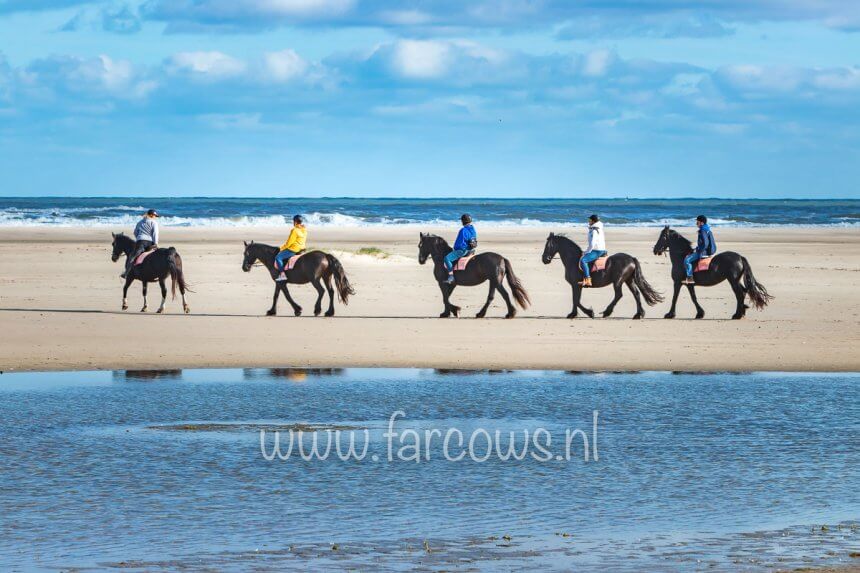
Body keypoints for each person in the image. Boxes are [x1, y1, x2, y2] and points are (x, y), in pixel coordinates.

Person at [122, 209, 159, 279]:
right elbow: (155, 234)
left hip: (140, 242)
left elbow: (135, 232)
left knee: (132, 257)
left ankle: (126, 273)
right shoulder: (154, 223)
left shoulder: (140, 222)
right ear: (151, 215)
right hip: (150, 243)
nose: (155, 217)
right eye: (155, 216)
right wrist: (155, 243)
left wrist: (138, 238)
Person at [683, 215, 717, 284]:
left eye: (697, 222)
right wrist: (696, 248)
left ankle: (690, 278)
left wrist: (698, 249)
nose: (696, 223)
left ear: (702, 223)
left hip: (704, 252)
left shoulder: (702, 230)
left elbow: (705, 244)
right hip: (708, 251)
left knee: (687, 260)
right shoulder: (707, 229)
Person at [444, 214, 477, 284]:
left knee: (447, 258)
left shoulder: (463, 230)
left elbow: (459, 244)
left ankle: (451, 276)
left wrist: (455, 249)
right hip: (471, 250)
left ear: (463, 221)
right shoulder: (473, 229)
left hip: (463, 250)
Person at [275, 214, 308, 281]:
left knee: (278, 257)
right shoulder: (304, 230)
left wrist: (281, 249)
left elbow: (289, 243)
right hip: (302, 249)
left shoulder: (294, 230)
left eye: (293, 221)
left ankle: (282, 274)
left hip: (294, 249)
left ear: (295, 222)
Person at [578, 214, 607, 288]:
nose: (588, 221)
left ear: (593, 221)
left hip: (597, 250)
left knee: (583, 260)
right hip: (600, 249)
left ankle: (588, 280)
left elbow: (592, 244)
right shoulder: (597, 228)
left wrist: (586, 252)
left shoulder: (594, 230)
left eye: (590, 220)